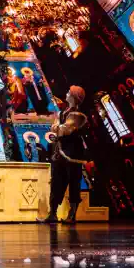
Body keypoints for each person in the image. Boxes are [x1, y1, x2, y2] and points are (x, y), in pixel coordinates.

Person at [38, 86, 90, 225]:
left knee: (73, 184)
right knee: (56, 182)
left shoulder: (79, 115)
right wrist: (58, 127)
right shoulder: (63, 112)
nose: (66, 93)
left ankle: (71, 215)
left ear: (74, 96)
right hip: (60, 153)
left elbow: (65, 129)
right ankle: (52, 214)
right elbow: (55, 127)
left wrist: (58, 128)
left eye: (69, 92)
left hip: (73, 154)